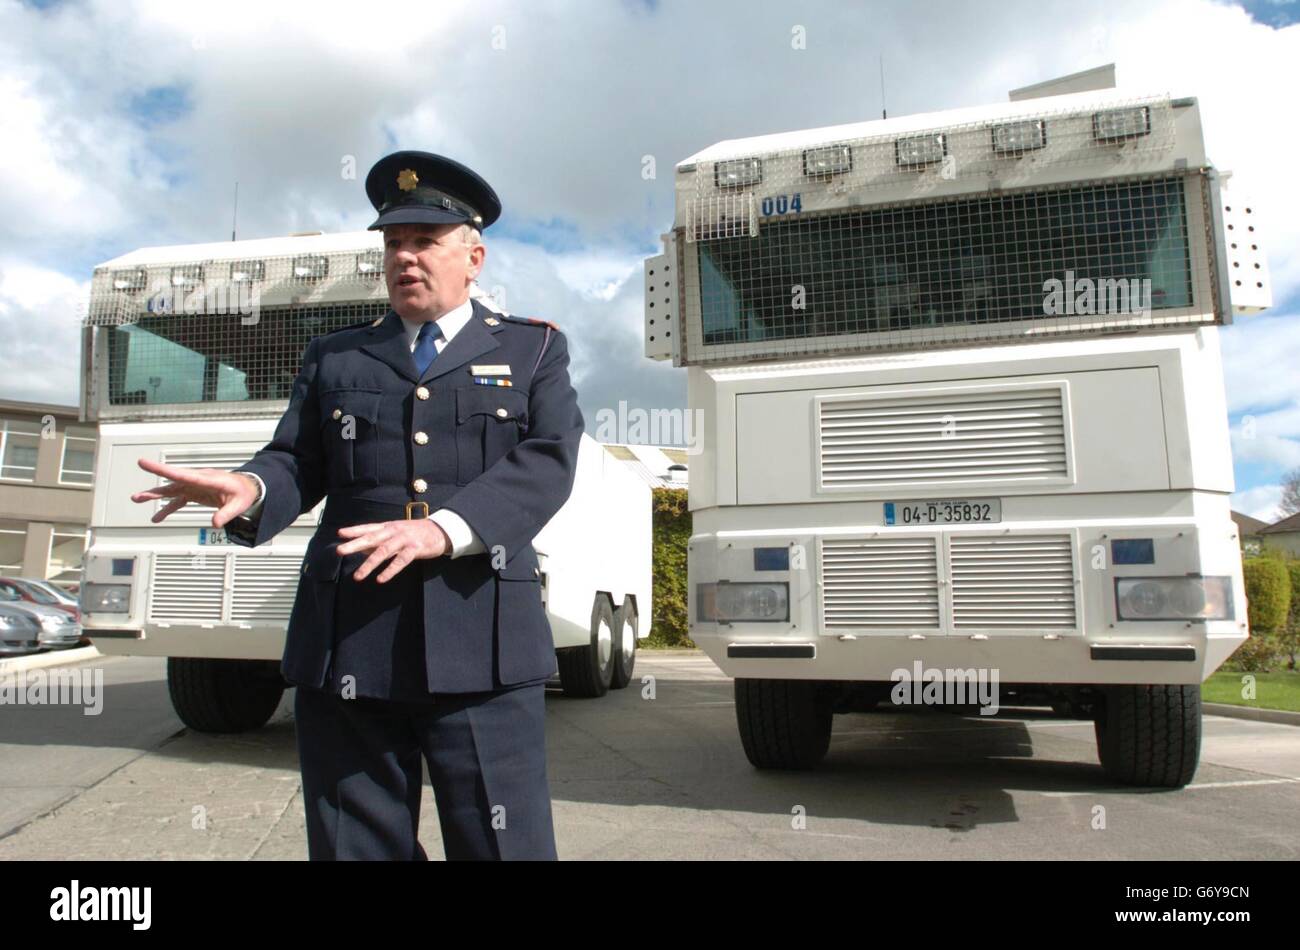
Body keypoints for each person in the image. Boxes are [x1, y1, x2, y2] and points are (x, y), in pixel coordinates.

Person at [131, 150, 584, 860]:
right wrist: (252, 489)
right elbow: (297, 460)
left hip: (483, 643)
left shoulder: (532, 352)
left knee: (505, 846)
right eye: (392, 243)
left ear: (474, 256)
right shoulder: (336, 357)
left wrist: (445, 531)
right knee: (353, 849)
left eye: (424, 242)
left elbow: (549, 459)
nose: (405, 257)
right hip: (350, 640)